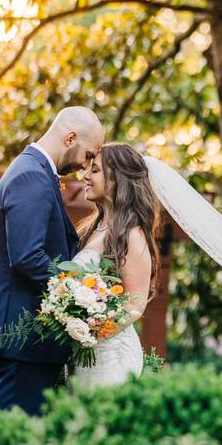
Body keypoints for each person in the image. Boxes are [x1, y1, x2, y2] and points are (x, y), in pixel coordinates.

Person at [0, 106, 104, 416]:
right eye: (88, 154)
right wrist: (76, 292)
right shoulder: (31, 175)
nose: (86, 165)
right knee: (20, 444)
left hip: (29, 343)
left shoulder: (35, 172)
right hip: (22, 341)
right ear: (70, 137)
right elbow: (27, 257)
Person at [70, 142, 164, 387]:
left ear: (117, 179)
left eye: (95, 170)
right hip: (83, 353)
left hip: (111, 356)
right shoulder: (93, 228)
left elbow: (134, 305)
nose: (85, 176)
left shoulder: (132, 235)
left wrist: (90, 330)